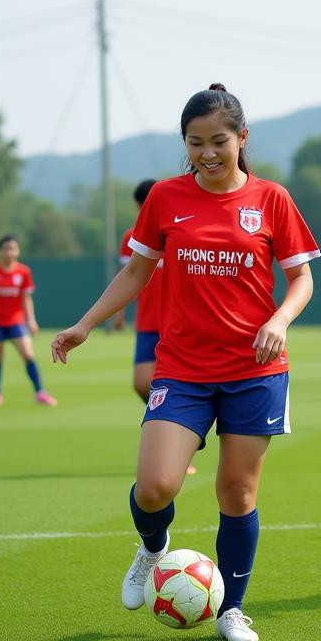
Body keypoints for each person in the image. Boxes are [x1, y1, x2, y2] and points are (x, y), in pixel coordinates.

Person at [51, 84, 320, 641]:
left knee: (236, 494)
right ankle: (153, 550)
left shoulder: (272, 199)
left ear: (241, 139)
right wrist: (85, 323)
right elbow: (135, 272)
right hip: (183, 369)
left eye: (218, 141)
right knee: (154, 487)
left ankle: (232, 610)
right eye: (195, 143)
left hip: (256, 371)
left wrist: (279, 321)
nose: (207, 153)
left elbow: (301, 278)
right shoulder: (166, 199)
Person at [115, 180, 195, 474]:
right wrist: (119, 313)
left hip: (179, 321)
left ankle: (179, 445)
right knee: (140, 382)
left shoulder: (184, 227)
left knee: (178, 386)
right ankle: (176, 434)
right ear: (140, 207)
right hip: (148, 321)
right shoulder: (132, 237)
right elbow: (129, 275)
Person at [0, 235, 57, 407]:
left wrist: (31, 320)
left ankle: (40, 392)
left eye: (13, 248)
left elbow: (26, 298)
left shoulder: (23, 271)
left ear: (18, 251)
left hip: (16, 321)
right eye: (6, 248)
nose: (9, 252)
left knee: (28, 354)